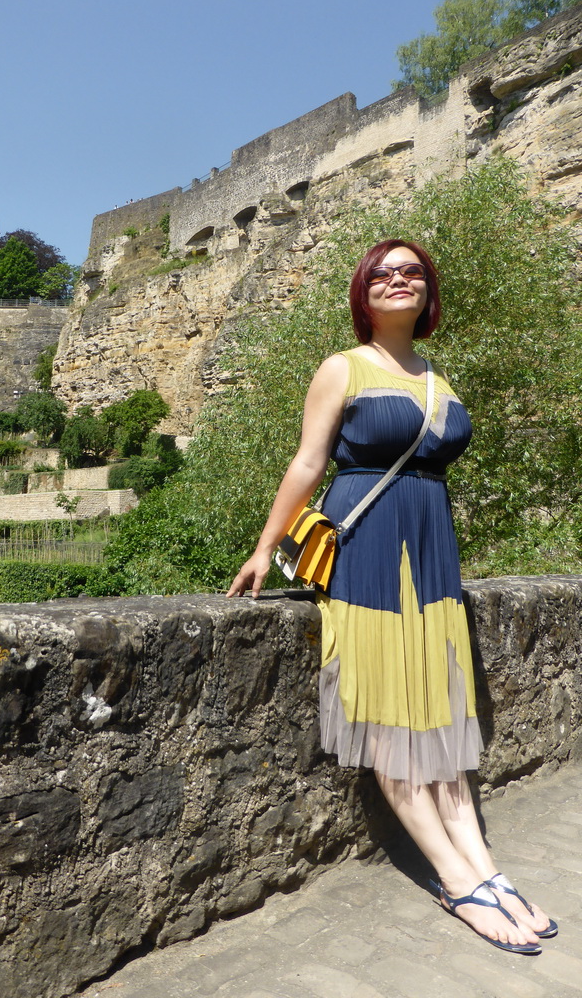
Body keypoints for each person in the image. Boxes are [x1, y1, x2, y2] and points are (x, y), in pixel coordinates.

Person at [227, 239, 556, 955]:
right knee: (387, 718)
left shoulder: (437, 374)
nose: (399, 280)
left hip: (432, 557)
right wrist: (263, 548)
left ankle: (486, 867)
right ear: (363, 293)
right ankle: (454, 879)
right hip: (369, 554)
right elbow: (309, 460)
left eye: (412, 272)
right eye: (383, 273)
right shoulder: (342, 368)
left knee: (439, 717)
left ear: (428, 290)